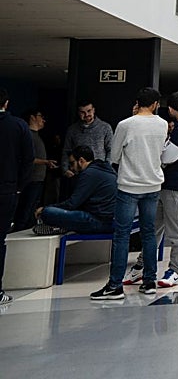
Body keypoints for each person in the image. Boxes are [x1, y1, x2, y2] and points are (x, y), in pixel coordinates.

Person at [92, 88, 168, 300]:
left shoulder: (126, 124)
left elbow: (114, 156)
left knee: (122, 234)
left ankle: (115, 285)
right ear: (155, 104)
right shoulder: (162, 125)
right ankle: (150, 281)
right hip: (153, 184)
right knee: (149, 232)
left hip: (129, 185)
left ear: (137, 103)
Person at [125, 92, 178, 288]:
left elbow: (167, 157)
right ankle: (142, 266)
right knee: (154, 227)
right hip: (169, 186)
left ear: (170, 109)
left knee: (175, 230)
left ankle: (174, 270)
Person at [0, 89, 35, 306]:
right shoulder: (18, 126)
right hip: (6, 189)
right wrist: (19, 187)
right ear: (6, 102)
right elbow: (28, 159)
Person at [38, 145, 116, 233]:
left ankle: (60, 226)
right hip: (111, 221)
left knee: (47, 212)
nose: (71, 168)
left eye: (72, 163)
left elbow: (72, 204)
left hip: (98, 221)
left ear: (81, 161)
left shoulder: (89, 174)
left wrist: (45, 208)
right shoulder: (107, 170)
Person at [14, 110, 56, 231]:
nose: (43, 120)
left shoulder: (37, 136)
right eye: (40, 116)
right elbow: (25, 158)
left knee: (31, 210)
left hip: (38, 179)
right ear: (32, 117)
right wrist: (45, 162)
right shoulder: (27, 135)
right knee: (25, 211)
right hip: (30, 179)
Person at [62, 101, 113, 180]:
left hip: (99, 173)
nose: (86, 115)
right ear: (78, 113)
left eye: (89, 111)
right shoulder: (72, 129)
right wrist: (65, 170)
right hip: (77, 174)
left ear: (93, 110)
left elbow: (111, 150)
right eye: (83, 112)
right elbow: (66, 151)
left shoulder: (105, 128)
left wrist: (106, 168)